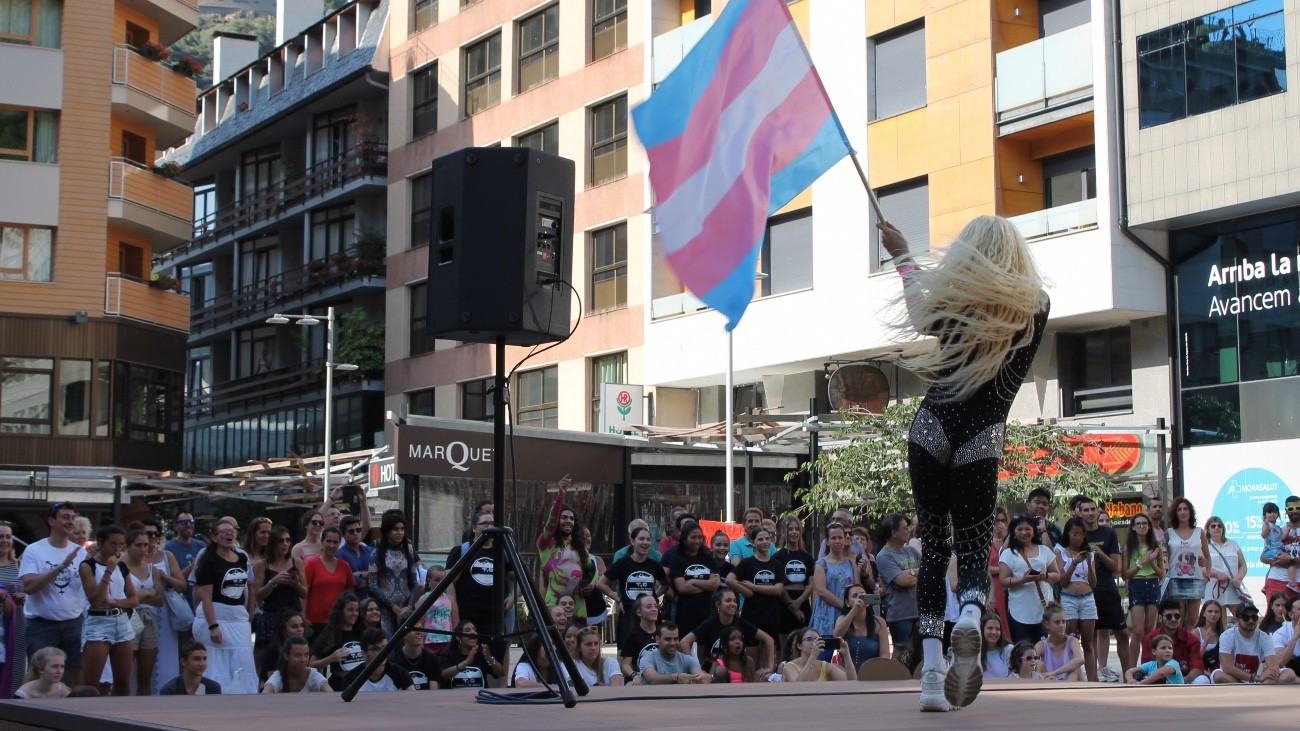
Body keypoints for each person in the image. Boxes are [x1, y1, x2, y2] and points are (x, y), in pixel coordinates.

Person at [879, 215, 1050, 711]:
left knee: (934, 547)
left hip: (930, 426)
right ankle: (972, 615)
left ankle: (932, 677)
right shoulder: (1034, 307)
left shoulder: (953, 300)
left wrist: (903, 256)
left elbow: (918, 316)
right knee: (974, 549)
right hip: (982, 434)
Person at [19, 502, 88, 686]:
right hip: (42, 625)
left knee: (75, 672)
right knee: (39, 675)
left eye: (73, 517)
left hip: (73, 623)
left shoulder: (81, 553)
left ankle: (72, 712)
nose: (70, 521)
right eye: (65, 517)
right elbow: (29, 587)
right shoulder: (34, 550)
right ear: (51, 521)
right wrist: (61, 566)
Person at [192, 520, 255, 694]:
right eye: (224, 531)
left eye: (233, 530)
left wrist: (249, 612)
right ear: (214, 536)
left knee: (242, 662)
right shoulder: (208, 562)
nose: (229, 534)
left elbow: (248, 587)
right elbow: (205, 598)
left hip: (238, 619)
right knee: (216, 665)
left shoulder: (242, 558)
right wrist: (213, 626)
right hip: (216, 616)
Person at [78, 524, 138, 696]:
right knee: (91, 682)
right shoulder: (88, 566)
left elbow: (134, 599)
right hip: (98, 621)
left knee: (123, 680)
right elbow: (96, 601)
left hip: (121, 621)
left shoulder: (122, 566)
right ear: (101, 543)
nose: (117, 549)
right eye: (113, 544)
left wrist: (115, 602)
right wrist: (108, 571)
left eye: (121, 545)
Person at [445, 511, 510, 666]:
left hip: (494, 619)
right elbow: (448, 582)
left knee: (495, 660)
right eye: (485, 524)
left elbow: (521, 578)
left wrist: (514, 598)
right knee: (467, 657)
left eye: (492, 524)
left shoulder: (502, 552)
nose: (489, 527)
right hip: (468, 616)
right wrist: (455, 614)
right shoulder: (461, 551)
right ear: (474, 528)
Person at [1079, 495, 1129, 682]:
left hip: (1107, 588)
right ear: (1079, 512)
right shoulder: (1076, 533)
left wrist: (1100, 553)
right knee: (1088, 638)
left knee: (1122, 633)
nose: (1090, 513)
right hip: (1085, 591)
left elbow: (1116, 566)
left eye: (1093, 509)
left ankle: (1129, 675)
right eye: (1086, 510)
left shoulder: (1109, 534)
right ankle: (1093, 680)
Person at [597, 524, 666, 640]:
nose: (645, 542)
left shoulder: (654, 565)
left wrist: (654, 598)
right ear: (632, 541)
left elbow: (665, 584)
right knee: (626, 651)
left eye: (648, 539)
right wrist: (618, 599)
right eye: (641, 539)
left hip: (651, 617)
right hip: (628, 614)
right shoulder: (622, 563)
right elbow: (600, 584)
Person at [252, 525, 306, 674]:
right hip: (272, 616)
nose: (285, 544)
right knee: (270, 658)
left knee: (296, 653)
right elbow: (257, 595)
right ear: (273, 543)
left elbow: (305, 593)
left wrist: (295, 584)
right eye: (280, 541)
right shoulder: (262, 565)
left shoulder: (297, 562)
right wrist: (273, 582)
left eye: (288, 540)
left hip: (293, 613)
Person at [681, 586, 774, 671]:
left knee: (751, 663)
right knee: (721, 671)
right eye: (728, 600)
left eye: (734, 601)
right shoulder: (709, 624)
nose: (733, 604)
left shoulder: (741, 622)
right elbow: (684, 642)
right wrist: (693, 667)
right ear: (718, 604)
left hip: (737, 668)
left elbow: (769, 639)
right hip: (713, 669)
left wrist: (769, 667)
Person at [998, 514, 1059, 643]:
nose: (1024, 532)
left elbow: (1056, 575)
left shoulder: (1044, 551)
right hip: (1019, 611)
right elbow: (1003, 581)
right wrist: (1023, 580)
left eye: (1027, 529)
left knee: (1043, 650)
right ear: (1013, 532)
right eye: (1020, 529)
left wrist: (1045, 576)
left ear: (1033, 531)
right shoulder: (1008, 554)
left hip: (1043, 609)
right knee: (1023, 650)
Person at [537, 475, 589, 619]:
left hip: (578, 603)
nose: (569, 521)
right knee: (554, 638)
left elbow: (592, 568)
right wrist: (560, 497)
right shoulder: (545, 543)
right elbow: (551, 522)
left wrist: (592, 584)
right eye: (564, 517)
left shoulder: (578, 546)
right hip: (553, 601)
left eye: (572, 518)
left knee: (580, 638)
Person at [1053, 516, 1097, 680]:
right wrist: (1074, 563)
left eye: (1081, 534)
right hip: (1068, 597)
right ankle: (1068, 677)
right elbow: (1062, 581)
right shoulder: (1060, 550)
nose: (1078, 537)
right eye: (1074, 534)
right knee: (1069, 640)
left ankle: (1092, 680)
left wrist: (1090, 562)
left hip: (1087, 598)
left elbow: (1093, 583)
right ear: (1068, 534)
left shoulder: (1089, 553)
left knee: (1088, 642)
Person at [1212, 600, 1296, 683]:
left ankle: (1258, 691)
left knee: (1288, 673)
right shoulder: (1227, 636)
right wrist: (1253, 677)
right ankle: (1253, 690)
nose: (1251, 620)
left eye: (1254, 617)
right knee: (1218, 675)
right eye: (1246, 617)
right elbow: (1226, 667)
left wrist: (1263, 676)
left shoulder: (1264, 637)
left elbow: (1274, 667)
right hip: (1236, 678)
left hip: (1258, 679)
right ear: (1236, 619)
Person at [875, 513, 922, 661]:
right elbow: (902, 581)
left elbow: (927, 572)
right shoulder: (883, 556)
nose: (908, 531)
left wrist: (910, 573)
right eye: (904, 528)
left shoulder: (912, 551)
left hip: (920, 611)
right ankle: (894, 681)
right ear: (893, 532)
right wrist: (916, 574)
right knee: (901, 651)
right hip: (901, 614)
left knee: (921, 652)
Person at [123, 527, 162, 695]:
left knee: (145, 673)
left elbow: (160, 599)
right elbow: (122, 598)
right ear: (128, 546)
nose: (143, 549)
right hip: (129, 617)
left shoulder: (152, 569)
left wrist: (137, 597)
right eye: (138, 545)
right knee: (124, 670)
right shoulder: (120, 567)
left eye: (146, 545)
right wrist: (146, 593)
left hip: (148, 617)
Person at [728, 526, 784, 644]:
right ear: (753, 542)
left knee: (770, 650)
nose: (764, 542)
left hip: (771, 614)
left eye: (767, 539)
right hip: (751, 614)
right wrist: (746, 591)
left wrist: (753, 587)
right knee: (752, 653)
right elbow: (729, 580)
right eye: (760, 539)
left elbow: (778, 590)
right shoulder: (747, 563)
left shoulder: (776, 564)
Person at [668, 521, 719, 636]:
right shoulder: (676, 559)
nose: (697, 541)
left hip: (707, 610)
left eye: (700, 537)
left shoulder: (708, 557)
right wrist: (707, 586)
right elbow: (682, 588)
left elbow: (715, 584)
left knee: (705, 644)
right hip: (685, 611)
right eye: (693, 537)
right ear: (685, 539)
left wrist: (693, 581)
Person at [373, 511, 420, 634]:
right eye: (395, 529)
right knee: (388, 644)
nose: (400, 532)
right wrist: (392, 606)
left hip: (406, 609)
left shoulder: (408, 552)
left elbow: (414, 584)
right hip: (385, 610)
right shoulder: (377, 553)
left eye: (402, 529)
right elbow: (373, 585)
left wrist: (409, 606)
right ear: (387, 531)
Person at [1139, 599, 1204, 685]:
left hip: (1186, 681)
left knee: (1202, 680)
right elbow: (1145, 667)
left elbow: (1197, 668)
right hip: (1157, 681)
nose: (1173, 619)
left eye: (1177, 616)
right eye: (1169, 616)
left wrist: (1180, 682)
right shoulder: (1149, 639)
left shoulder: (1191, 639)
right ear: (1160, 618)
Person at [1122, 512, 1165, 643]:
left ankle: (1149, 661)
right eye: (1138, 524)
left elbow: (1161, 574)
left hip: (1152, 583)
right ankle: (1133, 663)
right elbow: (1125, 575)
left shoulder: (1156, 546)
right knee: (1137, 630)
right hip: (1136, 584)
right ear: (1133, 527)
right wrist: (1141, 563)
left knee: (1150, 629)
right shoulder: (1128, 547)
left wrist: (1151, 562)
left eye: (1145, 523)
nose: (1142, 526)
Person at [303, 527, 354, 634]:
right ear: (322, 542)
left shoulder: (344, 566)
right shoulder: (312, 565)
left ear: (339, 544)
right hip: (314, 622)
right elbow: (303, 594)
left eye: (335, 542)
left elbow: (350, 594)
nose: (331, 545)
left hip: (338, 621)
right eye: (328, 541)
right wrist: (303, 616)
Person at [1166, 498, 1207, 631]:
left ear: (1190, 512)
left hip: (1195, 578)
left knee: (1193, 621)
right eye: (1179, 509)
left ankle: (1190, 649)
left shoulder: (1199, 532)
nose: (1182, 512)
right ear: (1175, 513)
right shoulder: (1169, 533)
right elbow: (1165, 557)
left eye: (1185, 509)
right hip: (1175, 578)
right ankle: (1178, 648)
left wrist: (1207, 575)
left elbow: (1207, 556)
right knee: (1177, 619)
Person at [310, 592, 363, 690]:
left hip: (363, 685)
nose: (354, 613)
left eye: (357, 610)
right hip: (340, 685)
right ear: (341, 611)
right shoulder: (330, 634)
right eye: (350, 610)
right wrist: (330, 658)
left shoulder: (362, 632)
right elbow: (311, 664)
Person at [773, 516, 814, 637]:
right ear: (784, 532)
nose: (794, 532)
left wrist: (800, 601)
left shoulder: (807, 557)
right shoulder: (777, 557)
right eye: (790, 529)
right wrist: (793, 607)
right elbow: (778, 584)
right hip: (784, 603)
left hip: (803, 601)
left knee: (805, 638)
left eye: (797, 529)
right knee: (784, 641)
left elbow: (812, 583)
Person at [0, 520, 28, 697]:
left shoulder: (19, 565)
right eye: (0, 536)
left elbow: (29, 589)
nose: (4, 540)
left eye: (8, 536)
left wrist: (25, 596)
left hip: (16, 625)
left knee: (15, 668)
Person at [833, 583, 889, 670]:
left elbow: (885, 654)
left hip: (871, 674)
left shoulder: (879, 622)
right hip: (846, 674)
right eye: (855, 596)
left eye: (863, 595)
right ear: (847, 602)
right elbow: (837, 636)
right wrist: (853, 611)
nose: (859, 598)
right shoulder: (842, 619)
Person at [342, 629, 415, 692]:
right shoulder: (351, 678)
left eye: (384, 648)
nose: (381, 653)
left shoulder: (400, 673)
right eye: (375, 649)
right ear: (364, 653)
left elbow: (413, 699)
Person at [436, 619, 503, 689]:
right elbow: (443, 675)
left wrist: (490, 658)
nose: (473, 632)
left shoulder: (482, 654)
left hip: (479, 697)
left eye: (475, 630)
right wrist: (466, 662)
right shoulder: (449, 654)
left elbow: (501, 673)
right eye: (467, 630)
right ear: (458, 638)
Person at [638, 622, 711, 684]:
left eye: (676, 639)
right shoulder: (647, 658)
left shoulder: (689, 660)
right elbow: (652, 679)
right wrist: (676, 677)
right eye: (668, 639)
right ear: (657, 639)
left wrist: (705, 678)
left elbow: (699, 676)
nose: (672, 643)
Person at [387, 608, 440, 689]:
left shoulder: (432, 660)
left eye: (420, 628)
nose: (419, 632)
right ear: (403, 634)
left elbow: (434, 692)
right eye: (414, 629)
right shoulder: (394, 662)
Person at [780, 627, 857, 682]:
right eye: (809, 639)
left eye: (817, 640)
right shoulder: (789, 666)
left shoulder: (824, 666)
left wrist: (846, 655)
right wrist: (812, 657)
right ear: (799, 645)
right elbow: (798, 686)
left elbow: (851, 680)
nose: (814, 643)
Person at [1203, 515, 1247, 613]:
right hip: (1214, 591)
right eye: (1213, 526)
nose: (1217, 528)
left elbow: (1243, 565)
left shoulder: (1233, 544)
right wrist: (1216, 574)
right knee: (1218, 623)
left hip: (1233, 589)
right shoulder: (1204, 546)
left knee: (1241, 617)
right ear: (1208, 529)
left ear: (1223, 528)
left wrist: (1239, 578)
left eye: (1219, 526)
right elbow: (1201, 568)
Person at [414, 565, 457, 655]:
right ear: (429, 581)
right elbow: (419, 623)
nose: (440, 583)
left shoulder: (450, 599)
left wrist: (453, 641)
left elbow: (455, 621)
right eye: (437, 580)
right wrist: (420, 642)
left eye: (443, 579)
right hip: (429, 642)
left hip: (447, 642)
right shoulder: (424, 599)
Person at [262, 635, 329, 693]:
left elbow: (329, 693)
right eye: (298, 655)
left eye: (306, 655)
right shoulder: (278, 676)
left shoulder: (313, 675)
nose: (303, 660)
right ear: (286, 656)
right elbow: (265, 695)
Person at [1034, 604, 1083, 681]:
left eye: (1063, 622)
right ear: (1047, 624)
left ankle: (1065, 691)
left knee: (1074, 670)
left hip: (1070, 681)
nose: (1062, 625)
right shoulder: (1042, 645)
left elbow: (1080, 659)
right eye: (1057, 622)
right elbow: (1029, 661)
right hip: (1049, 680)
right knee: (1037, 663)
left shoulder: (1072, 641)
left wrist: (1054, 672)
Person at [617, 594, 660, 681]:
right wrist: (634, 676)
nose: (654, 609)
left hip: (661, 677)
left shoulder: (663, 632)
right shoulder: (632, 635)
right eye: (649, 607)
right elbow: (625, 664)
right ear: (639, 612)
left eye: (656, 606)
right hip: (640, 678)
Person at [335, 515, 376, 603]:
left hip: (374, 602)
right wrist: (367, 578)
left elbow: (380, 575)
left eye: (358, 530)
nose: (355, 533)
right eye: (351, 531)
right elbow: (345, 580)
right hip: (352, 603)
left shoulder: (371, 551)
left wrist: (358, 575)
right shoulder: (339, 555)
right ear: (343, 534)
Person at [258, 609, 306, 683]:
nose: (300, 629)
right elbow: (272, 681)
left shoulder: (305, 648)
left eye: (301, 625)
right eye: (294, 627)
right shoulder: (273, 650)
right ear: (283, 630)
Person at [1260, 502, 1294, 591]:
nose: (1272, 514)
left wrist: (1288, 529)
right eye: (1269, 512)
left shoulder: (1278, 527)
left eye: (1275, 512)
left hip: (1278, 548)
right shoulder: (1266, 525)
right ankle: (1267, 585)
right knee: (1281, 564)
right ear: (1264, 515)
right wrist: (1266, 526)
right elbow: (1263, 535)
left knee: (1274, 566)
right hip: (1271, 549)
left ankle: (1266, 585)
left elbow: (1282, 538)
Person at [1193, 599, 1225, 684]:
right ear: (1203, 613)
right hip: (1199, 670)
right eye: (1210, 611)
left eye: (1216, 612)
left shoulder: (1223, 634)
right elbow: (1195, 658)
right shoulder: (1196, 632)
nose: (1213, 614)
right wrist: (1205, 642)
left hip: (1218, 671)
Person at [1271, 594, 1300, 678]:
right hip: (1292, 669)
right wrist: (1295, 637)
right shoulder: (1280, 633)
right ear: (1291, 615)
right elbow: (1280, 662)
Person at [981, 613, 1012, 678]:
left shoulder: (1009, 650)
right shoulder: (974, 652)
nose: (994, 632)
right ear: (982, 629)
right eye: (990, 628)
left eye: (997, 629)